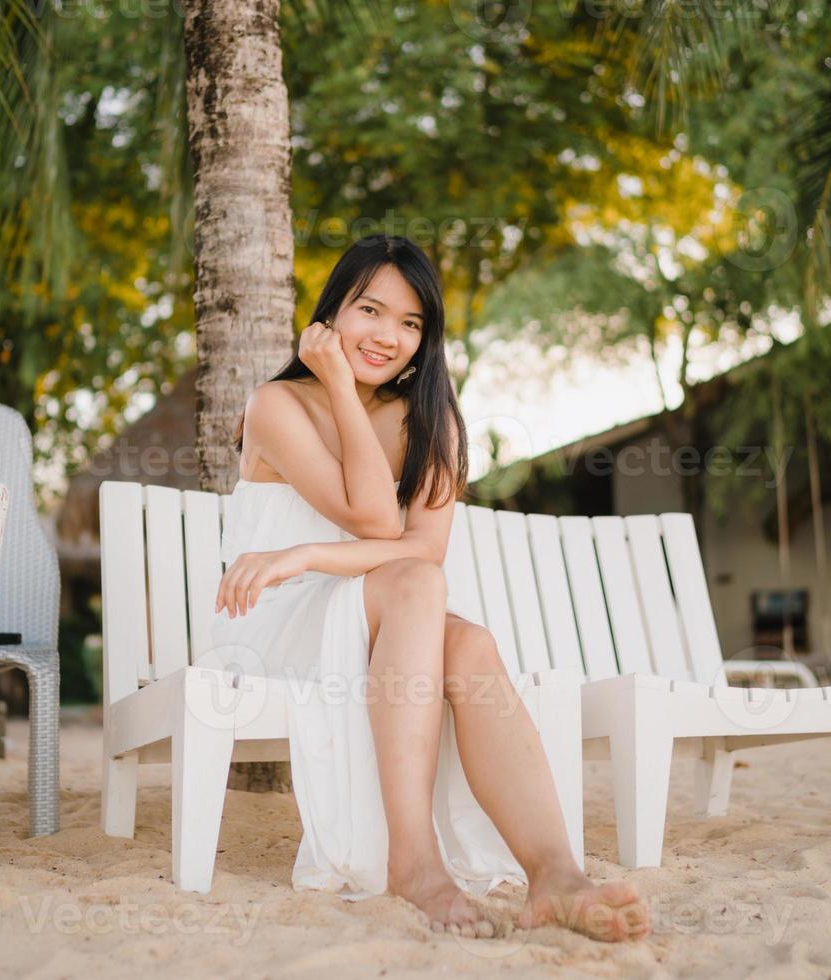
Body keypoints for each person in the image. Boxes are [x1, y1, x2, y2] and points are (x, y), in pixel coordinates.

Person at [208, 234, 648, 942]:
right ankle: (413, 861)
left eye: (411, 324)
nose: (389, 336)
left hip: (376, 615)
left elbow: (422, 546)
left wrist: (304, 552)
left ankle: (556, 877)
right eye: (371, 311)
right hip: (275, 623)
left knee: (468, 642)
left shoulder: (429, 418)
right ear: (330, 316)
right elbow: (378, 519)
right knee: (416, 583)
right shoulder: (276, 405)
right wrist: (344, 395)